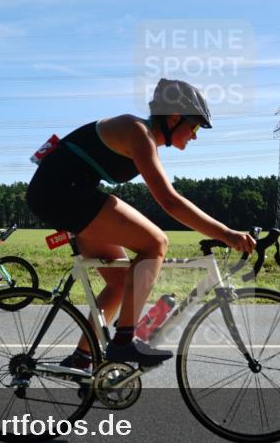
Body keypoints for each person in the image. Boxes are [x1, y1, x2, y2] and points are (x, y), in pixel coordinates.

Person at [25, 78, 255, 368]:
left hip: (65, 193)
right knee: (155, 242)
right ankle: (123, 343)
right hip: (63, 192)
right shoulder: (138, 132)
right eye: (195, 126)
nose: (195, 136)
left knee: (121, 283)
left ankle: (81, 359)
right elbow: (169, 201)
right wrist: (226, 234)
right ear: (174, 118)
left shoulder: (143, 138)